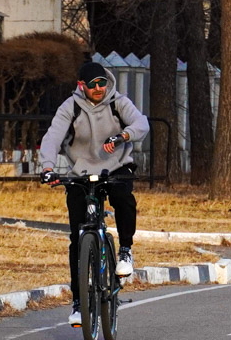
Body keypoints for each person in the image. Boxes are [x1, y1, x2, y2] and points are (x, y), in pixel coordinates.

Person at [39, 60, 150, 326]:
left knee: (123, 197)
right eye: (93, 85)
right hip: (82, 171)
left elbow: (141, 123)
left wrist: (124, 136)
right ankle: (78, 303)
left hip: (117, 166)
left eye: (102, 83)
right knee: (77, 238)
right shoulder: (71, 106)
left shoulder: (117, 101)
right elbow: (53, 136)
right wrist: (48, 167)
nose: (99, 88)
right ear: (82, 86)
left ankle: (125, 250)